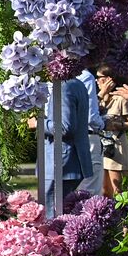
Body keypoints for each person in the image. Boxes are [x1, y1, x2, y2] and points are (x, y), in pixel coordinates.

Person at [36, 73, 94, 215]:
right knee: (62, 214)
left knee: (52, 216)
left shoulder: (64, 87)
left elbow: (64, 127)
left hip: (60, 162)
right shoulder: (77, 84)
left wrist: (38, 123)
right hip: (69, 161)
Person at [97, 67, 128, 196]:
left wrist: (117, 124)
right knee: (104, 192)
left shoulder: (121, 99)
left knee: (119, 193)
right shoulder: (101, 100)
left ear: (109, 80)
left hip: (117, 150)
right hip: (102, 149)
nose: (96, 81)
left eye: (100, 78)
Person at [77, 68, 107, 196]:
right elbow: (92, 118)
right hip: (88, 137)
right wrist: (104, 123)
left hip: (62, 139)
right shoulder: (86, 76)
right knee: (90, 188)